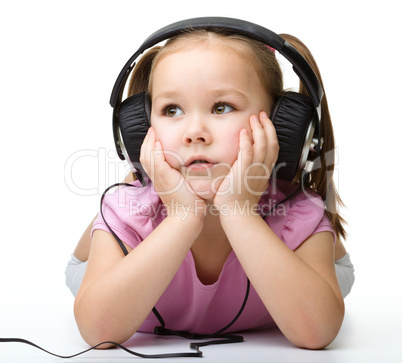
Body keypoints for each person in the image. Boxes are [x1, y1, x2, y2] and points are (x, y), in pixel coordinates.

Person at [67, 25, 355, 350]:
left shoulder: (297, 212)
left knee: (324, 277)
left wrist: (239, 212)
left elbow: (316, 331)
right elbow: (98, 332)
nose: (194, 132)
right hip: (104, 261)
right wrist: (183, 216)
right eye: (171, 110)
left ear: (279, 123)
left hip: (314, 264)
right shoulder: (127, 211)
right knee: (127, 204)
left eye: (221, 107)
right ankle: (143, 179)